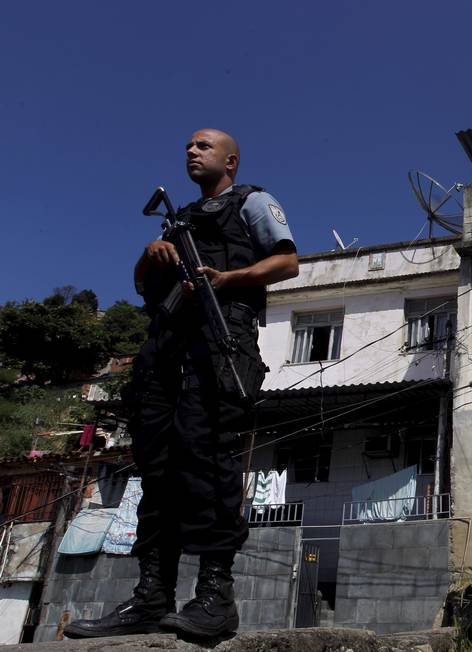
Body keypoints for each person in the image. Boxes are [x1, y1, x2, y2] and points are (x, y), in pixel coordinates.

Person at [65, 129, 299, 639]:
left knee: (209, 464)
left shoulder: (253, 202)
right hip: (166, 353)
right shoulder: (179, 220)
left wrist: (227, 279)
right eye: (188, 147)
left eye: (203, 146)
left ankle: (215, 599)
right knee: (157, 473)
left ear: (230, 159)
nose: (191, 151)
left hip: (219, 345)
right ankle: (151, 599)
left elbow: (288, 262)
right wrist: (153, 252)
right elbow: (140, 282)